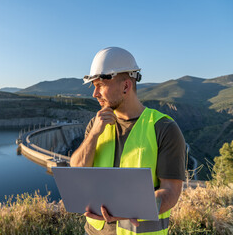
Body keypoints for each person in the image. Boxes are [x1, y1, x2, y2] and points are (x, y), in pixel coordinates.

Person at [70, 47, 186, 235]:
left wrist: (128, 209)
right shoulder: (96, 123)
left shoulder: (164, 128)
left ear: (125, 86)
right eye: (94, 86)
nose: (95, 94)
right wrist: (93, 136)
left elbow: (171, 192)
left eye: (100, 85)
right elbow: (77, 170)